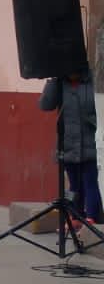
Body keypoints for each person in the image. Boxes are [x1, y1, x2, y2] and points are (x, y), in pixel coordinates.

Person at [41, 69, 101, 225]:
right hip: (67, 144)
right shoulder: (60, 83)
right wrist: (53, 81)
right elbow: (45, 105)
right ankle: (75, 217)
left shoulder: (92, 81)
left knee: (90, 181)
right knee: (74, 184)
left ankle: (92, 217)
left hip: (90, 141)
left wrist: (93, 122)